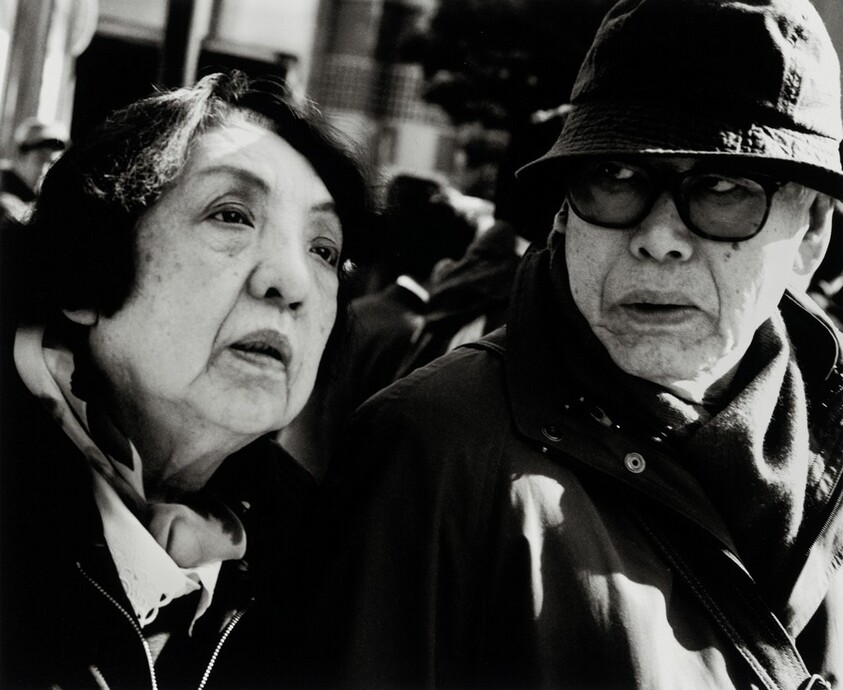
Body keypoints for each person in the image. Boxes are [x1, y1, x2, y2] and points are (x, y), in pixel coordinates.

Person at [316, 1, 843, 688]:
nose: (657, 238)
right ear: (564, 208)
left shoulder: (826, 441)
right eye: (613, 180)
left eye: (722, 189)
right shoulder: (433, 449)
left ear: (810, 235)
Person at [0, 71, 371, 688]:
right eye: (231, 215)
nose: (293, 283)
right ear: (82, 275)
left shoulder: (316, 560)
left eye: (325, 250)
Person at [0, 117, 68, 222]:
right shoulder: (4, 197)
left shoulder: (36, 198)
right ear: (19, 156)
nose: (44, 170)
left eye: (51, 163)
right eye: (40, 159)